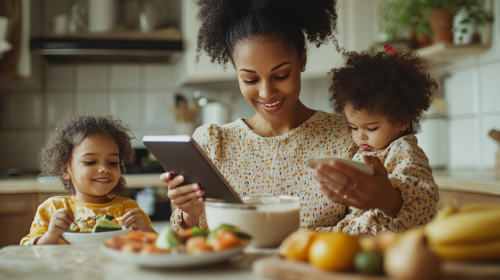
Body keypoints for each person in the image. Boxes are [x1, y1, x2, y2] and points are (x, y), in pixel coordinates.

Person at [162, 0, 429, 236]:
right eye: (250, 79)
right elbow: (193, 244)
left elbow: (404, 222)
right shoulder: (212, 143)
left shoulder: (354, 137)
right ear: (236, 71)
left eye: (281, 75)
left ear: (302, 60)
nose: (267, 93)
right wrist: (189, 216)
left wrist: (388, 198)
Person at [314, 46, 439, 235]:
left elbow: (421, 198)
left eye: (371, 128)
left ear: (402, 120)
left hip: (387, 234)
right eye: (353, 127)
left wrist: (388, 196)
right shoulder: (365, 152)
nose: (360, 135)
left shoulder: (403, 150)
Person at [21, 113, 155, 245]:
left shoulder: (128, 208)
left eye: (113, 163)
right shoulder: (53, 208)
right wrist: (50, 237)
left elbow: (159, 246)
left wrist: (145, 230)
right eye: (90, 162)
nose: (104, 169)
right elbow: (27, 251)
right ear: (65, 170)